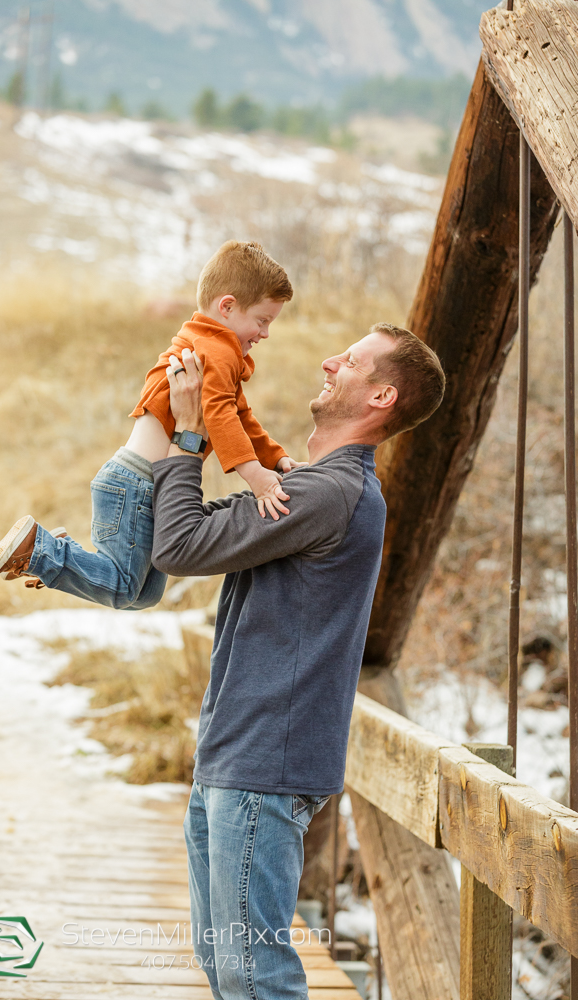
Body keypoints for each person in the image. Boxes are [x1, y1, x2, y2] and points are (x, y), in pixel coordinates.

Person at [152, 322, 446, 1000]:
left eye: (350, 360)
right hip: (239, 754)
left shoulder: (324, 494)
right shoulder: (311, 486)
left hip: (261, 764)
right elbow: (190, 536)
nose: (328, 360)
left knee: (255, 978)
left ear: (380, 395)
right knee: (230, 967)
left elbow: (180, 547)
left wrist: (189, 434)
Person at [0, 241, 303, 606]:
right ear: (226, 307)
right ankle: (40, 551)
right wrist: (256, 475)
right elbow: (222, 415)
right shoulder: (217, 351)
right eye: (262, 320)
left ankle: (62, 556)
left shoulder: (210, 344)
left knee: (144, 595)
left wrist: (276, 458)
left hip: (142, 483)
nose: (265, 333)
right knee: (122, 588)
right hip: (137, 483)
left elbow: (242, 416)